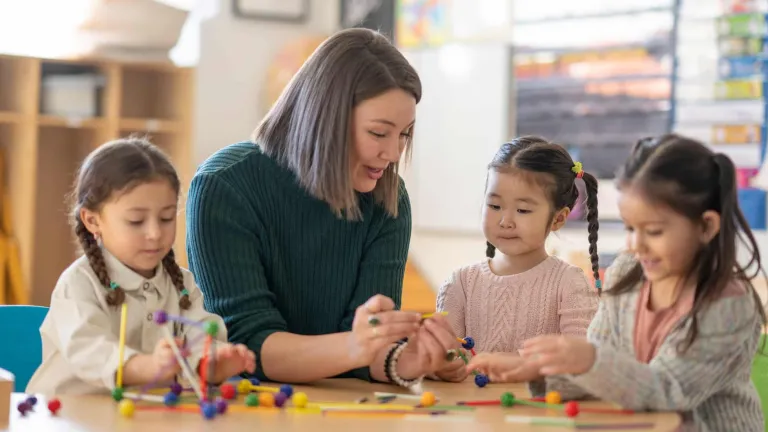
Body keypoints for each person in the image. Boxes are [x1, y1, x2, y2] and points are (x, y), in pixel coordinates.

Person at [185, 28, 460, 387]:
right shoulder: (224, 186)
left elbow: (367, 346)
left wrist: (407, 360)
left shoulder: (388, 199)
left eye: (404, 134)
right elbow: (246, 345)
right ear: (325, 119)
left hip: (340, 408)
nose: (393, 154)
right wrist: (357, 346)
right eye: (379, 133)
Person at [473, 134, 767, 431]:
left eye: (653, 231)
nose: (636, 244)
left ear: (706, 226)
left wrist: (588, 360)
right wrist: (538, 371)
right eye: (630, 227)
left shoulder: (728, 304)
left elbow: (668, 391)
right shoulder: (628, 273)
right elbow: (606, 377)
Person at [26, 138, 256, 396]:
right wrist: (147, 366)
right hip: (67, 416)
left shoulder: (182, 284)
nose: (155, 233)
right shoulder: (78, 284)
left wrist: (212, 362)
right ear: (93, 221)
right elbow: (89, 350)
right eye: (136, 221)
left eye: (167, 217)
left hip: (143, 416)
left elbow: (199, 337)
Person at [435, 136, 600, 384]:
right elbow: (444, 360)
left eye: (522, 210)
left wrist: (524, 364)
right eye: (494, 205)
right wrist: (439, 363)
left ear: (558, 218)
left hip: (539, 417)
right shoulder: (460, 284)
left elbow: (581, 364)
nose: (505, 221)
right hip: (470, 417)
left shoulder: (569, 284)